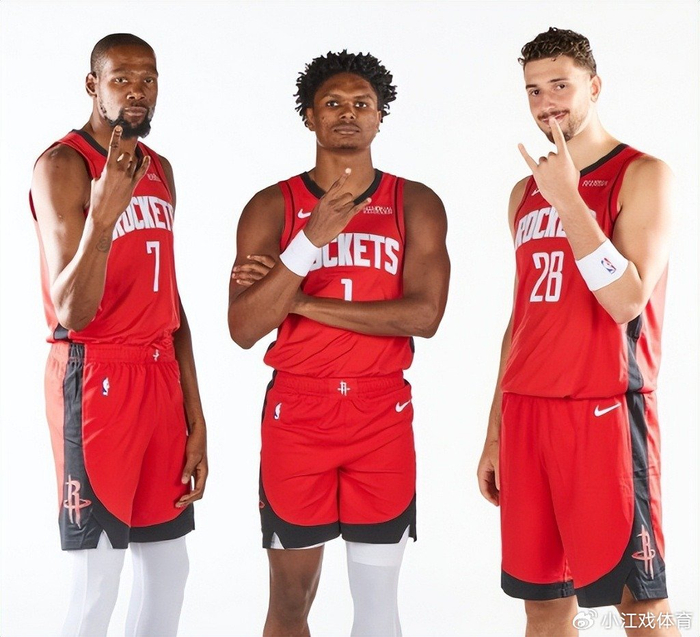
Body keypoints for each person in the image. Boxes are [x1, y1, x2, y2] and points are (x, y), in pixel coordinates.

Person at [228, 50, 450, 636]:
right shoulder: (272, 205)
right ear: (309, 115)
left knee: (377, 607)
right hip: (298, 413)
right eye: (332, 103)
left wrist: (297, 299)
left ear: (380, 117)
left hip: (381, 414)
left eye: (361, 104)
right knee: (290, 603)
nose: (348, 113)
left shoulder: (414, 201)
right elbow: (245, 327)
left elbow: (424, 315)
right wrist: (311, 239)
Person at [477, 27, 678, 636]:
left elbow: (626, 300)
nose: (546, 104)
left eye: (560, 86)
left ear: (594, 86)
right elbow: (521, 318)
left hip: (603, 414)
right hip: (526, 416)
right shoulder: (523, 193)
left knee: (639, 605)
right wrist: (495, 430)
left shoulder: (643, 173)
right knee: (543, 605)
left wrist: (569, 202)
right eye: (534, 91)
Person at [30, 33, 208, 636]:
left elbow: (171, 301)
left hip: (159, 377)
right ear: (93, 85)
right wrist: (103, 216)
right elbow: (72, 310)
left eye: (148, 79)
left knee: (169, 566)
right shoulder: (63, 165)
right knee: (96, 577)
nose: (137, 91)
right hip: (95, 374)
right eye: (121, 79)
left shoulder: (160, 169)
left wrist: (195, 416)